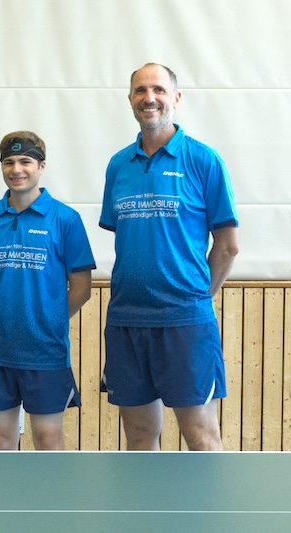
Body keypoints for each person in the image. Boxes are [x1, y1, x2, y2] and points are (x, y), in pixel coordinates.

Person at [100, 63, 239, 450]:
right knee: (140, 436)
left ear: (175, 98)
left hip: (186, 324)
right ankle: (149, 513)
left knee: (200, 434)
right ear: (130, 100)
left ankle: (209, 514)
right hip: (126, 321)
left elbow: (228, 245)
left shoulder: (203, 160)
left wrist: (197, 298)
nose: (150, 98)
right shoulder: (117, 166)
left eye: (159, 90)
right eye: (141, 90)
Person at [0, 131, 95, 450]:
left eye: (25, 161)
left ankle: (50, 502)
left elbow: (81, 288)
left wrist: (50, 318)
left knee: (48, 439)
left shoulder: (66, 220)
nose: (17, 169)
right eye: (9, 162)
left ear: (41, 167)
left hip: (45, 351)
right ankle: (4, 501)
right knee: (0, 440)